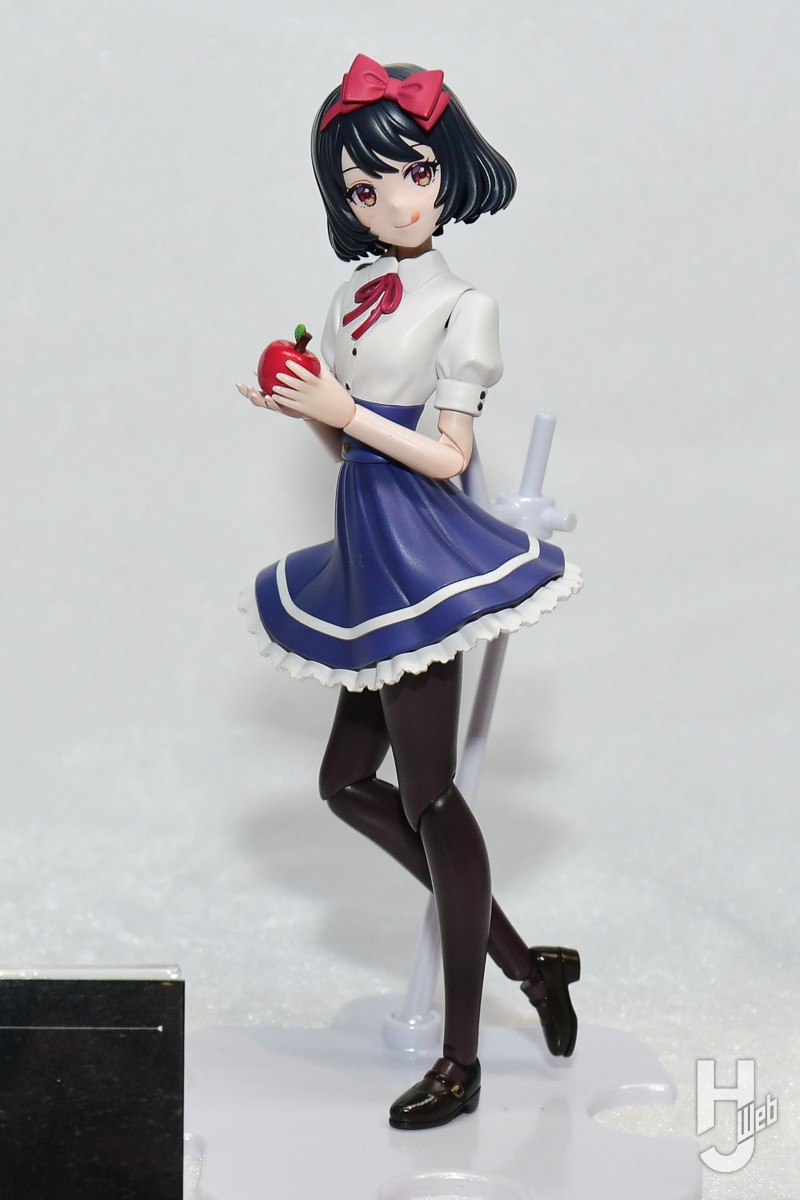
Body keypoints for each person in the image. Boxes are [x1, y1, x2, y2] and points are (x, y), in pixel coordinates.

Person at [237, 53, 582, 1130]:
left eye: (414, 172)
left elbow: (445, 456)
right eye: (363, 186)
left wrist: (344, 408)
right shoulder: (351, 293)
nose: (392, 201)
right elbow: (350, 450)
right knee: (347, 783)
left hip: (421, 546)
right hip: (365, 545)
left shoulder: (463, 305)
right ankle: (531, 965)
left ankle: (464, 1059)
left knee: (431, 797)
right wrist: (306, 405)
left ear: (446, 171)